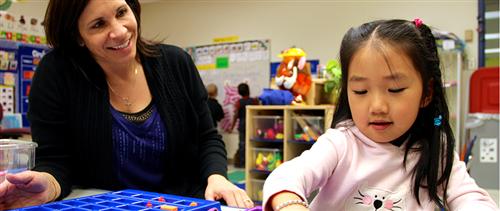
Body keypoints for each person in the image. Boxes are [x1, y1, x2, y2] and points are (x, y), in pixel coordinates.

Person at [0, 0, 254, 209]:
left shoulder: (177, 63)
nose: (120, 31)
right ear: (78, 37)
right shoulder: (56, 74)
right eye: (99, 24)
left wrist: (217, 177)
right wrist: (48, 185)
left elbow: (207, 137)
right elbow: (55, 160)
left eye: (122, 12)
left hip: (184, 202)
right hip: (105, 204)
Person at [263, 19, 498, 210]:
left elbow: (471, 198)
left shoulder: (436, 151)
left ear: (426, 93)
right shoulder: (341, 143)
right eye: (361, 91)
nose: (377, 106)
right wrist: (290, 204)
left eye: (395, 90)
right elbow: (286, 177)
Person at [229, 83, 259, 168]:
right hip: (252, 124)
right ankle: (251, 162)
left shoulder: (238, 102)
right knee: (252, 143)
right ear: (248, 90)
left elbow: (236, 115)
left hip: (242, 125)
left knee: (242, 144)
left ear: (239, 92)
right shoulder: (254, 101)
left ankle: (242, 163)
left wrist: (231, 127)